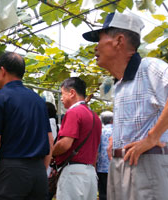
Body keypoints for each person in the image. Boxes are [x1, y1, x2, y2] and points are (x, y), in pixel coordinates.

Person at [82, 11, 168, 199]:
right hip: (121, 166)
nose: (96, 48)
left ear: (119, 40)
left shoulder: (149, 67)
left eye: (99, 39)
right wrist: (116, 138)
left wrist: (152, 138)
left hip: (146, 164)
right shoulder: (120, 84)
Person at [0, 52, 53, 200]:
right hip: (38, 173)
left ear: (2, 70)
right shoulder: (38, 101)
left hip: (11, 174)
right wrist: (40, 171)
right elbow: (49, 140)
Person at [52, 77, 102, 200]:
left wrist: (50, 152)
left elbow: (65, 144)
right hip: (90, 174)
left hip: (74, 173)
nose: (62, 99)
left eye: (63, 94)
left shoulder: (74, 112)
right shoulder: (95, 116)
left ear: (72, 93)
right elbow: (95, 152)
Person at [96, 111, 113, 200]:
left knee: (103, 193)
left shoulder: (100, 132)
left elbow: (97, 150)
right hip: (115, 166)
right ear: (112, 120)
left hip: (101, 168)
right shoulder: (117, 131)